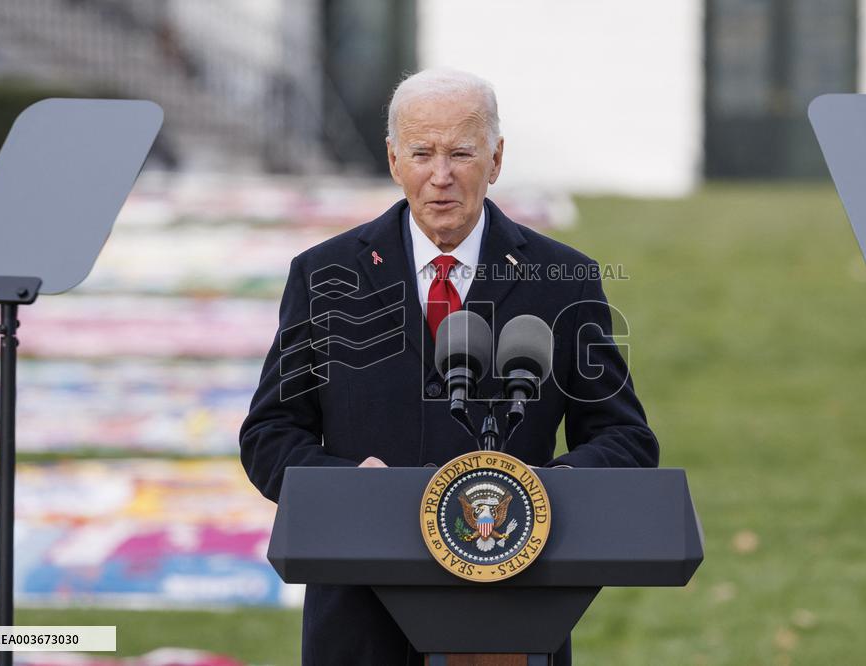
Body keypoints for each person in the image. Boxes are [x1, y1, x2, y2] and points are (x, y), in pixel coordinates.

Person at [240, 68, 659, 666]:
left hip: (513, 618)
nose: (441, 176)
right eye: (421, 153)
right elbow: (270, 435)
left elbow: (626, 440)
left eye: (462, 152)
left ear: (496, 159)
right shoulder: (325, 276)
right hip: (361, 624)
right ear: (393, 159)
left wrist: (544, 493)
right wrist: (348, 487)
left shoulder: (563, 280)